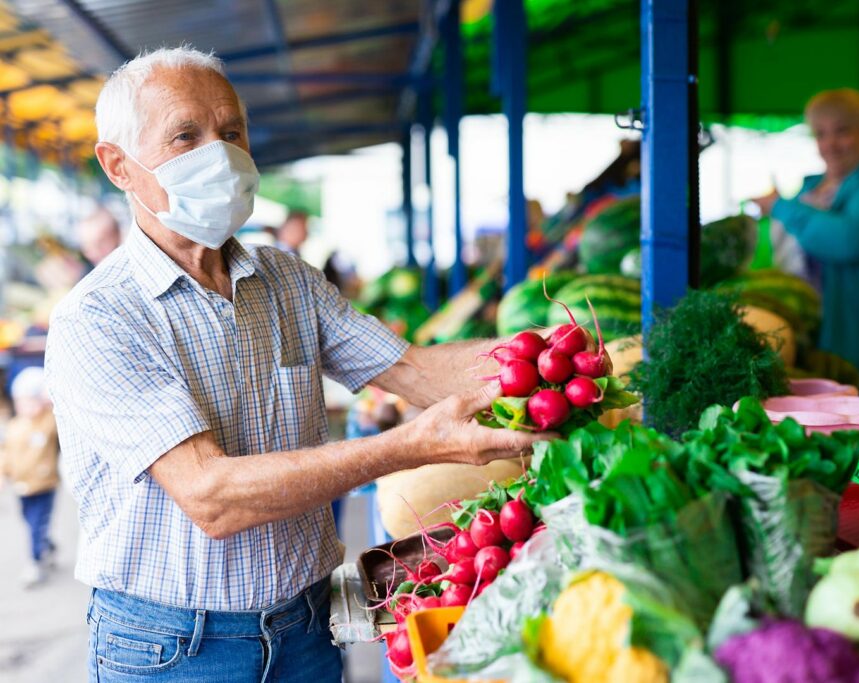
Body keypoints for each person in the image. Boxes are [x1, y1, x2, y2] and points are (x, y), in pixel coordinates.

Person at [44, 47, 548, 683]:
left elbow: (414, 370)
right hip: (174, 648)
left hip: (307, 627)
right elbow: (211, 496)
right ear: (118, 165)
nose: (220, 154)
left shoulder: (283, 277)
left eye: (231, 133)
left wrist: (550, 359)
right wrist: (411, 446)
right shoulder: (98, 318)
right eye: (186, 136)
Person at [751, 88, 859, 394]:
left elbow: (852, 241)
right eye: (820, 134)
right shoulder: (810, 188)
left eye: (842, 132)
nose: (830, 144)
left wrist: (781, 206)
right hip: (824, 349)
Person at [0, 367, 60, 588]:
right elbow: (5, 452)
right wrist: (3, 473)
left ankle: (35, 562)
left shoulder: (47, 423)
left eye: (30, 401)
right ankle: (47, 546)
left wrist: (48, 400)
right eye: (20, 402)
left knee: (37, 523)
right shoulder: (14, 427)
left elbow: (58, 413)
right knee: (29, 521)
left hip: (44, 485)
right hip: (22, 486)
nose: (24, 406)